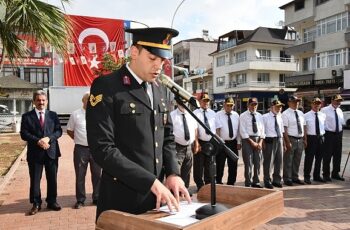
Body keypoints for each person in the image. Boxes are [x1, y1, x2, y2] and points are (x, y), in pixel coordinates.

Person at [86, 27, 191, 220]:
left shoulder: (159, 90)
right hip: (122, 201)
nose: (158, 66)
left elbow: (166, 137)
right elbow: (103, 148)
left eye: (162, 60)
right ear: (134, 52)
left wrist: (173, 174)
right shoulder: (108, 86)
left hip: (158, 200)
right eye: (152, 58)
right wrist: (149, 181)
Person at [20, 90, 62, 215]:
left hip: (51, 152)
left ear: (47, 101)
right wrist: (38, 141)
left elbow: (58, 131)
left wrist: (49, 138)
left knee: (52, 178)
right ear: (34, 102)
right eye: (38, 100)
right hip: (35, 153)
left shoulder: (53, 115)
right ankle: (36, 203)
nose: (41, 102)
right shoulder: (26, 116)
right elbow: (24, 134)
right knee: (35, 180)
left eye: (43, 100)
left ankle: (52, 201)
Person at [67, 92, 102, 209]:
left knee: (97, 175)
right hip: (81, 149)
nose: (89, 101)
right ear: (83, 100)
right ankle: (80, 200)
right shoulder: (75, 114)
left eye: (91, 99)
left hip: (96, 149)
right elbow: (70, 131)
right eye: (87, 99)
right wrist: (79, 140)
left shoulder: (98, 114)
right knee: (80, 175)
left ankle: (96, 197)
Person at [170, 101, 199, 189]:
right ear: (177, 103)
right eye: (181, 102)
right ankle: (176, 192)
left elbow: (195, 129)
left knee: (187, 170)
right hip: (177, 147)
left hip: (189, 146)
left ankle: (185, 190)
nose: (183, 104)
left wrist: (196, 143)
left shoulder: (191, 114)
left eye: (185, 102)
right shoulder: (172, 115)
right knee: (176, 171)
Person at [193, 93, 217, 191]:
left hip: (211, 142)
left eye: (207, 101)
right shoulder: (195, 113)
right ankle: (200, 185)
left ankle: (207, 185)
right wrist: (196, 143)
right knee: (199, 166)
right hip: (200, 142)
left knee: (209, 164)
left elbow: (216, 128)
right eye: (204, 101)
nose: (206, 103)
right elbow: (195, 129)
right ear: (199, 101)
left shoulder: (213, 113)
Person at [239, 97, 265, 188]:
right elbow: (242, 131)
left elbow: (262, 130)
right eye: (252, 104)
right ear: (248, 105)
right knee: (248, 162)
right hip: (247, 140)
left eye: (255, 104)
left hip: (258, 139)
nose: (254, 106)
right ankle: (248, 181)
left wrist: (261, 142)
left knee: (258, 162)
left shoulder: (260, 116)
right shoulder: (243, 116)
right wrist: (252, 142)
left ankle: (256, 181)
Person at [215, 97, 241, 185]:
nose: (229, 107)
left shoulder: (236, 115)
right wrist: (220, 141)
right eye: (228, 105)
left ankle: (231, 182)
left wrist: (238, 142)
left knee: (233, 164)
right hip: (222, 143)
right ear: (224, 105)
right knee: (220, 164)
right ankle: (218, 182)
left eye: (231, 105)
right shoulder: (218, 114)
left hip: (233, 143)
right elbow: (217, 129)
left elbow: (238, 130)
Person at [282, 95, 306, 186]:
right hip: (291, 138)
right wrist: (287, 142)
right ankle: (287, 178)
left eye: (297, 102)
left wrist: (305, 139)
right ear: (289, 103)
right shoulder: (285, 114)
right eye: (294, 102)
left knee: (297, 160)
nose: (296, 103)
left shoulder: (300, 113)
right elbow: (285, 129)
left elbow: (304, 126)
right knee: (288, 160)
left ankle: (295, 177)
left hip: (300, 139)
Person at [321, 94, 345, 181]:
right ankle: (326, 174)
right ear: (332, 100)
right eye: (337, 100)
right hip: (329, 134)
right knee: (327, 155)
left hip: (338, 134)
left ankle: (335, 173)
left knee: (337, 155)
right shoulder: (324, 110)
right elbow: (321, 123)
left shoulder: (340, 110)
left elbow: (341, 123)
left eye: (339, 101)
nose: (338, 102)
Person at [303, 97, 326, 184]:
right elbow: (304, 129)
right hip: (311, 138)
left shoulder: (323, 115)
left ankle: (317, 176)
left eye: (318, 103)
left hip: (321, 137)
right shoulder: (306, 115)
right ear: (311, 104)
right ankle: (307, 176)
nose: (317, 105)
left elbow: (324, 127)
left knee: (319, 158)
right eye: (315, 103)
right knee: (309, 158)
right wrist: (305, 139)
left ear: (321, 105)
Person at [262, 99, 284, 189]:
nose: (279, 108)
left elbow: (282, 129)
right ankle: (267, 180)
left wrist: (284, 143)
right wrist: (263, 141)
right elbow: (262, 130)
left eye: (280, 107)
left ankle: (277, 180)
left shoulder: (280, 116)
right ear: (272, 107)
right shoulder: (265, 117)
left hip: (279, 139)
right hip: (270, 140)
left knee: (279, 161)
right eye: (277, 107)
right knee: (269, 162)